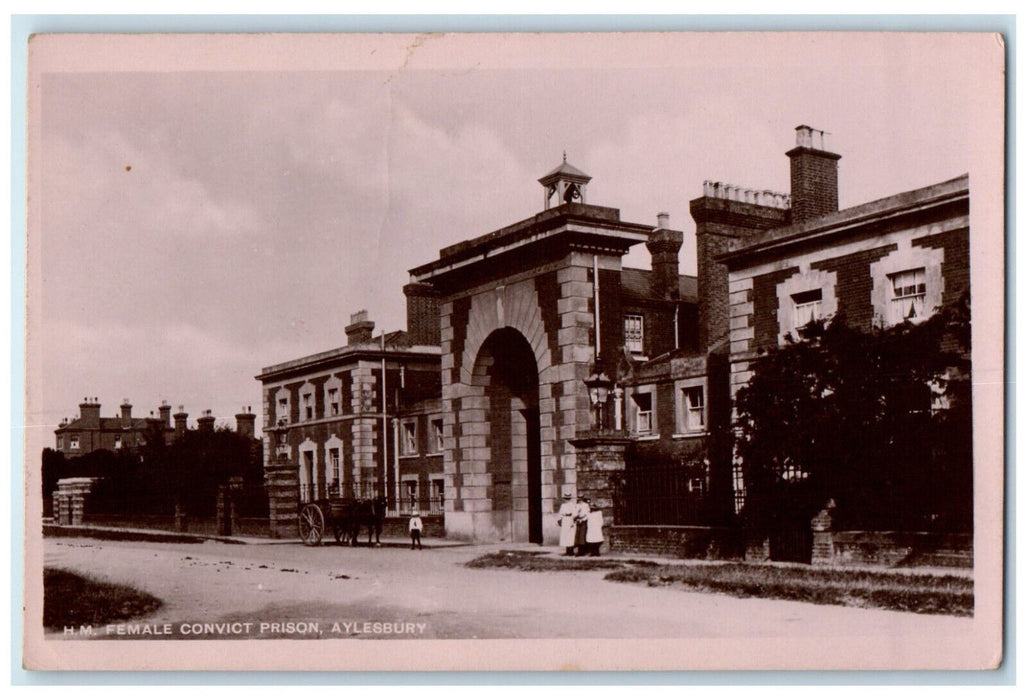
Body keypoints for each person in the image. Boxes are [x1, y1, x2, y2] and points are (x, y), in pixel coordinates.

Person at [557, 491, 576, 555]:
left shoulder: (572, 505)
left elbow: (574, 514)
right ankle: (567, 550)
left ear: (570, 499)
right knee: (565, 535)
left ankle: (571, 551)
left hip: (570, 520)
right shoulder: (563, 505)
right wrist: (559, 520)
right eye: (566, 498)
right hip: (565, 520)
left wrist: (572, 521)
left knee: (570, 535)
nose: (567, 500)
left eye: (568, 498)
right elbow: (560, 513)